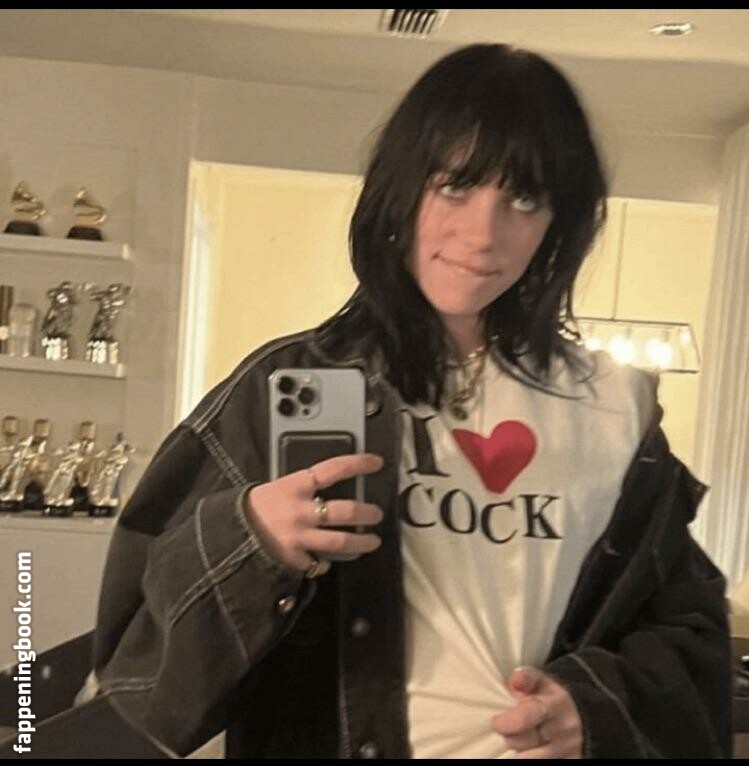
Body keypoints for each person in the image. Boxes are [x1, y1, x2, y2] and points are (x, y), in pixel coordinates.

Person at [91, 44, 732, 758]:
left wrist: (594, 704)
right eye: (454, 187)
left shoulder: (616, 408)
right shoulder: (287, 383)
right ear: (401, 192)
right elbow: (138, 670)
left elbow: (689, 630)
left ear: (560, 220)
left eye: (523, 199)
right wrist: (253, 541)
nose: (482, 236)